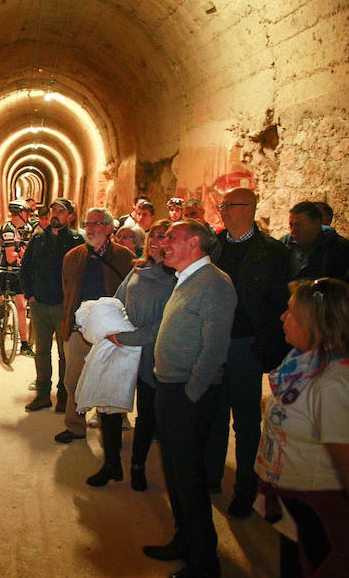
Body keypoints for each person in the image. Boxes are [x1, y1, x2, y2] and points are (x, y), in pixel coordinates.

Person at [142, 220, 237, 578]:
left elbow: (215, 348)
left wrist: (192, 392)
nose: (163, 243)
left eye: (171, 238)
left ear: (194, 243)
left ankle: (203, 562)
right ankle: (185, 539)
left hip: (188, 393)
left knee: (190, 477)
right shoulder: (186, 278)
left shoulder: (214, 284)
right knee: (176, 473)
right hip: (171, 388)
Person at [205, 187, 290, 519]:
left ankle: (245, 488)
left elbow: (278, 303)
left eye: (228, 205)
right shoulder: (214, 247)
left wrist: (265, 347)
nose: (222, 210)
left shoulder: (272, 252)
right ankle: (211, 476)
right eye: (222, 204)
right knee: (213, 415)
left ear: (249, 208)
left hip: (246, 345)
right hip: (215, 342)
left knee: (246, 420)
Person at [255, 277, 349, 577]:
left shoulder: (332, 383)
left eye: (292, 312)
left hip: (317, 505)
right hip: (294, 499)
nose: (283, 317)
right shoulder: (301, 361)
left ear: (316, 322)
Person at [88, 219, 175, 490]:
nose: (155, 241)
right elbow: (118, 299)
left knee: (147, 413)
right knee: (110, 407)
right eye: (153, 236)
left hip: (151, 353)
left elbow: (162, 325)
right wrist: (105, 324)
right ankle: (112, 463)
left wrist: (124, 337)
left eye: (163, 236)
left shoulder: (175, 277)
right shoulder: (138, 269)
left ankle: (138, 465)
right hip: (123, 350)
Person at [54, 207, 133, 443]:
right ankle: (75, 425)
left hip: (110, 331)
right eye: (87, 224)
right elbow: (67, 291)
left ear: (109, 228)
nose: (90, 228)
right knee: (73, 379)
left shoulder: (124, 257)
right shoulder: (73, 257)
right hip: (79, 329)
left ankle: (109, 429)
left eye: (96, 223)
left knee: (108, 380)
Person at [20, 198, 84, 413]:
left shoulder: (77, 240)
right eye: (54, 210)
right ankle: (43, 394)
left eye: (61, 211)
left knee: (65, 353)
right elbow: (26, 268)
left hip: (64, 307)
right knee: (42, 352)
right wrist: (30, 295)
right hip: (40, 305)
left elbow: (83, 271)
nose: (56, 214)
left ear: (70, 217)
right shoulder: (38, 239)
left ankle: (64, 395)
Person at [0, 199, 34, 358]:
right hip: (1, 271)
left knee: (21, 306)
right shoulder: (8, 229)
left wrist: (21, 253)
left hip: (17, 272)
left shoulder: (27, 228)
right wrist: (21, 251)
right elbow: (11, 258)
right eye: (28, 213)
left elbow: (25, 255)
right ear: (21, 213)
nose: (30, 216)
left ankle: (24, 344)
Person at [281, 201, 349, 282]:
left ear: (316, 224)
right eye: (291, 225)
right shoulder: (284, 244)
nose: (293, 230)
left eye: (298, 225)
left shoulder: (339, 248)